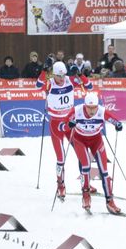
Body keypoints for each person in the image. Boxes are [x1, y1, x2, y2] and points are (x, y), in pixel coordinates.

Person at [36, 60, 93, 199]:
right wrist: (44, 71)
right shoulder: (49, 82)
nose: (62, 79)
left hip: (70, 122)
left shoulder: (70, 80)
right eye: (59, 76)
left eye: (63, 76)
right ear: (54, 74)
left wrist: (79, 74)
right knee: (61, 158)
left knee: (82, 152)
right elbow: (38, 86)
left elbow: (89, 86)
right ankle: (60, 185)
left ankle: (85, 183)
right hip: (56, 124)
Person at [64, 92, 123, 214]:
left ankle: (110, 201)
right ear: (84, 105)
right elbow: (63, 125)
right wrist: (69, 125)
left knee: (105, 171)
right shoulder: (77, 110)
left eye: (94, 107)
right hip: (79, 140)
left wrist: (118, 125)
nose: (92, 111)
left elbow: (115, 120)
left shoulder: (101, 111)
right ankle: (86, 196)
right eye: (89, 108)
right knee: (85, 166)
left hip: (96, 140)